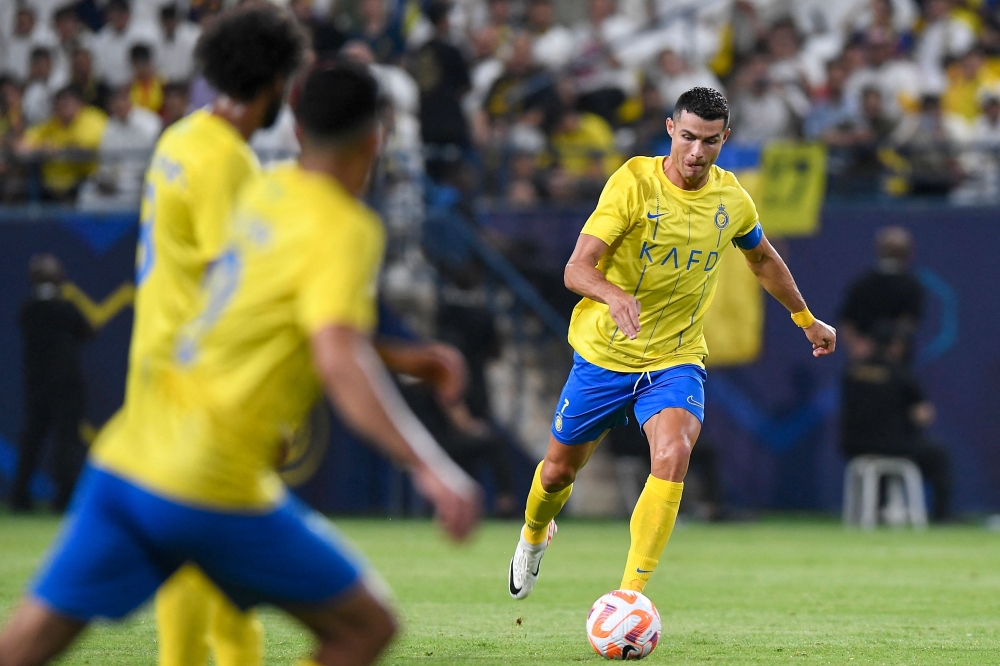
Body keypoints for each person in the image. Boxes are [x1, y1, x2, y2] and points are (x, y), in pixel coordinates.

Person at [0, 62, 481, 666]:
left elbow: (288, 320)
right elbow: (337, 353)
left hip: (130, 453)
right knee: (366, 627)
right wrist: (430, 467)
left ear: (299, 133)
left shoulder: (261, 193)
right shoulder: (345, 226)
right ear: (376, 138)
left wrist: (404, 357)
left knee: (24, 647)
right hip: (209, 476)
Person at [507, 87, 836, 600]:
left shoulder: (731, 199)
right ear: (669, 129)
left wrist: (806, 318)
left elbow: (763, 259)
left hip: (675, 357)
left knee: (674, 453)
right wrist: (613, 295)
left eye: (709, 141)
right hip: (604, 356)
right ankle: (533, 534)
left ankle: (629, 595)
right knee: (556, 473)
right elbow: (576, 268)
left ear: (724, 138)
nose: (696, 152)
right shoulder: (633, 183)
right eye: (687, 137)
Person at [81, 5, 303, 666]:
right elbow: (224, 284)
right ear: (270, 82)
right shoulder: (227, 162)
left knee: (196, 547)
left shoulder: (177, 138)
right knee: (222, 544)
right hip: (202, 377)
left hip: (153, 360)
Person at [11, 254, 92, 514]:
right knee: (66, 442)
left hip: (37, 387)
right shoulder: (65, 309)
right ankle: (64, 499)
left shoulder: (28, 310)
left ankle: (19, 498)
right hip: (65, 388)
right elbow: (88, 330)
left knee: (32, 441)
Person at [838, 225, 923, 363]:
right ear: (909, 253)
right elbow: (909, 320)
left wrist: (858, 346)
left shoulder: (862, 283)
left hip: (885, 358)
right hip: (879, 358)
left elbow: (846, 321)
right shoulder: (911, 285)